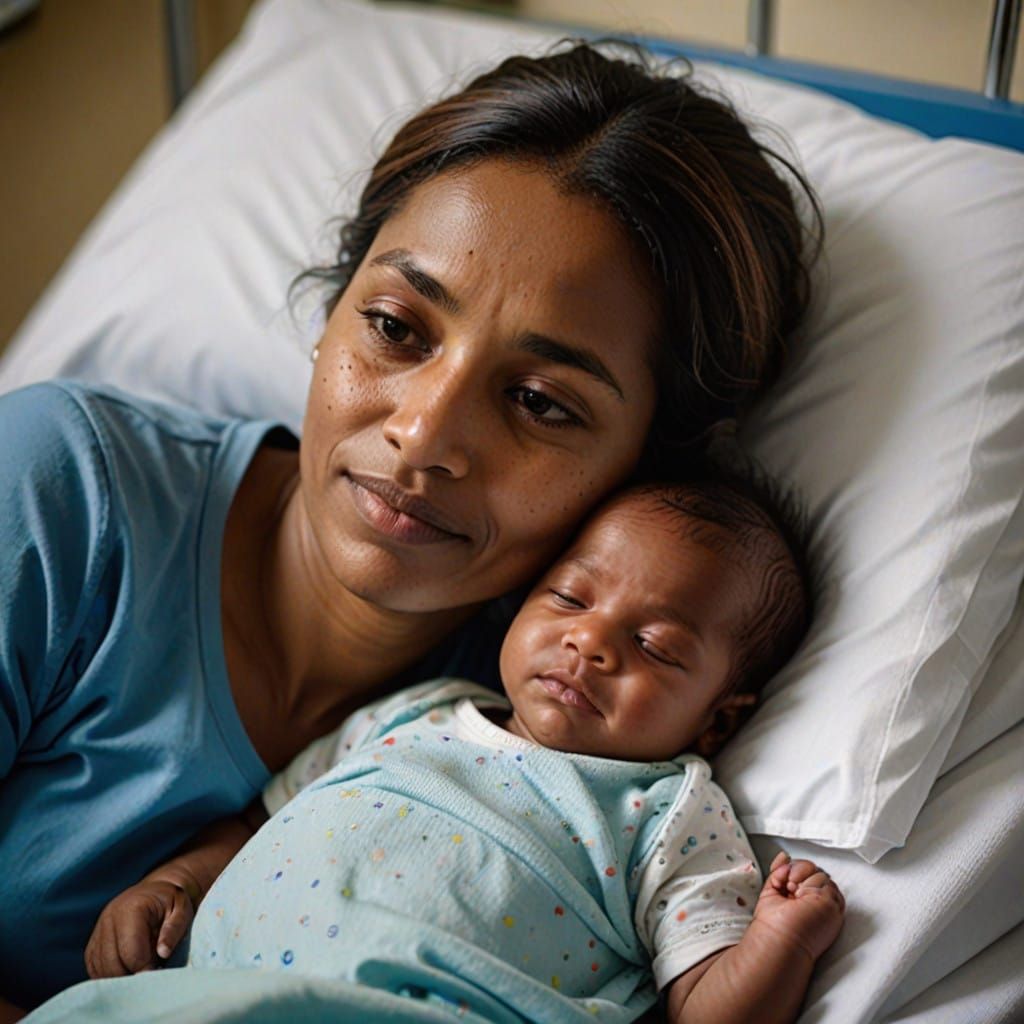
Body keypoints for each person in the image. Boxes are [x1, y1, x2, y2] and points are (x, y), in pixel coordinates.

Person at [0, 40, 820, 1017]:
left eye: (538, 401)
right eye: (396, 328)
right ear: (333, 311)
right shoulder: (64, 487)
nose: (423, 434)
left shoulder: (563, 725)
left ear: (638, 468)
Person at [84, 478, 843, 1024]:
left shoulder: (667, 811)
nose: (589, 641)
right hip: (199, 993)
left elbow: (706, 1007)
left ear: (716, 721)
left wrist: (783, 944)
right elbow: (257, 822)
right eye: (571, 598)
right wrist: (177, 881)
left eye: (651, 645)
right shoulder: (419, 711)